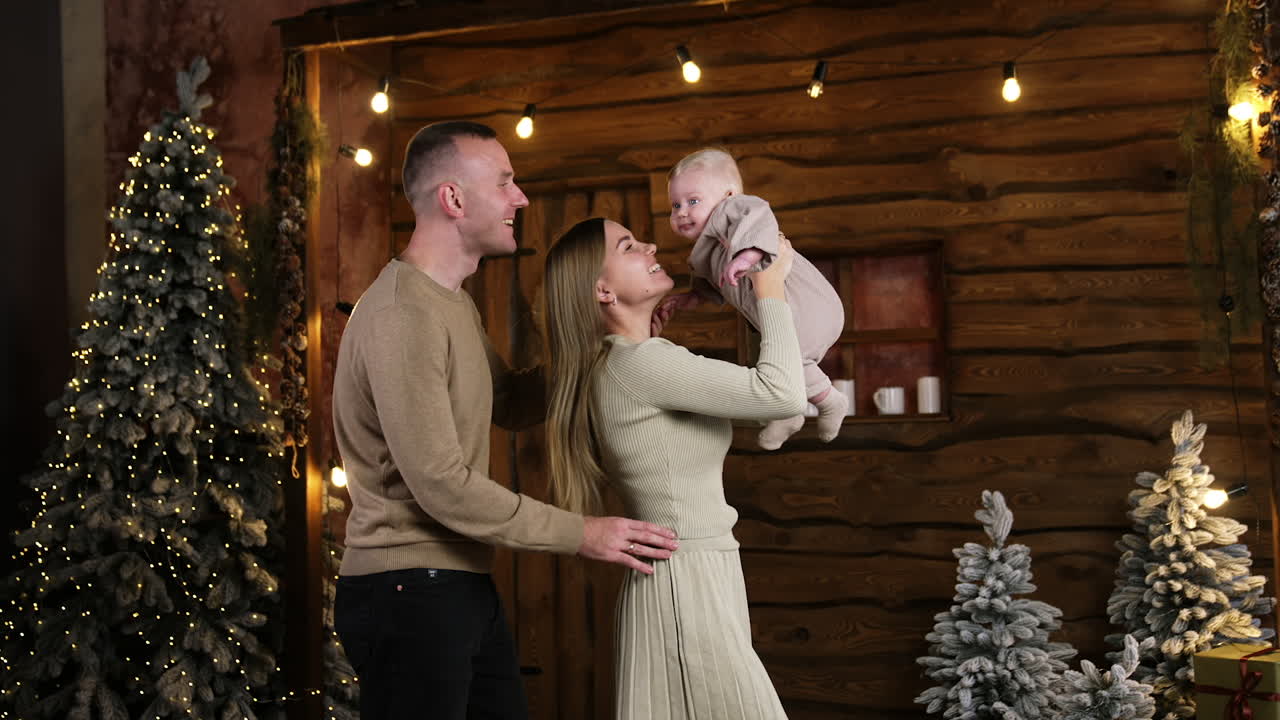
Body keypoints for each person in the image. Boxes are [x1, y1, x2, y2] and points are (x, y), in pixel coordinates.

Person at [331, 121, 679, 720]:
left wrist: (603, 339)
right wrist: (582, 533)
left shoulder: (451, 303)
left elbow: (513, 402)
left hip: (455, 584)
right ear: (454, 199)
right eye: (505, 182)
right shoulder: (402, 314)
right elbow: (441, 483)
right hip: (408, 591)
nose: (519, 198)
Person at [542, 216, 804, 719]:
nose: (650, 245)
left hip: (691, 574)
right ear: (602, 289)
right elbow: (782, 392)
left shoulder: (620, 362)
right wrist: (769, 288)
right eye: (627, 246)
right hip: (686, 580)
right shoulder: (641, 364)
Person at [659, 148, 846, 449]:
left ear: (729, 195)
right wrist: (692, 297)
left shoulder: (733, 211)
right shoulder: (705, 251)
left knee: (786, 359)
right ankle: (795, 409)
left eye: (693, 201)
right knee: (782, 361)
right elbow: (712, 283)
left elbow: (759, 214)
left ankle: (817, 404)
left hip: (808, 304)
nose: (681, 212)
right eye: (675, 205)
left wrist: (748, 255)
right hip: (787, 316)